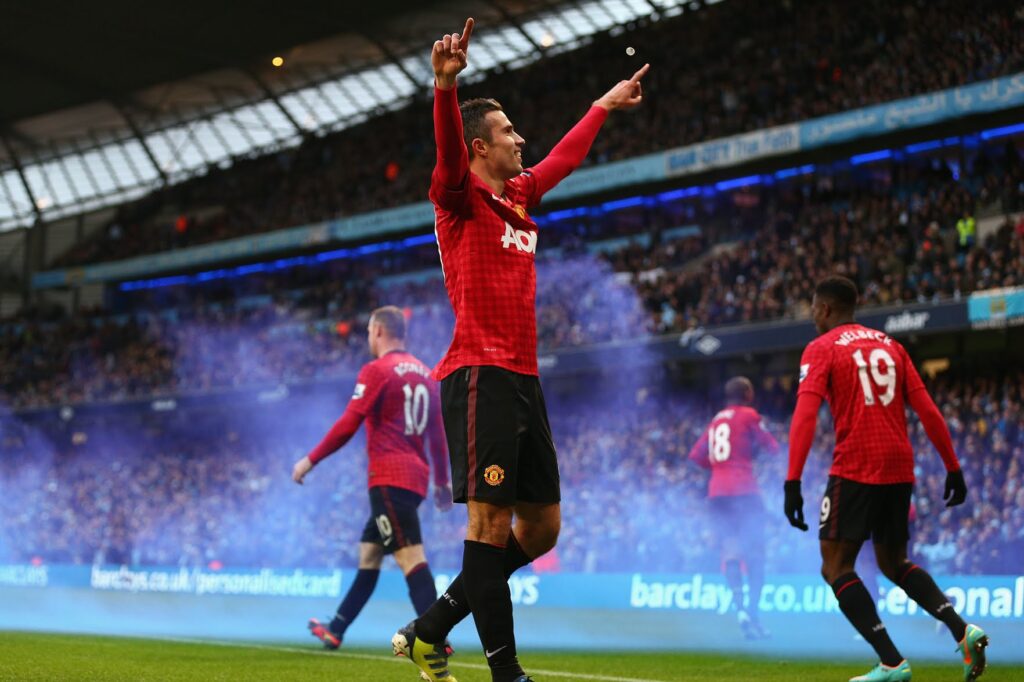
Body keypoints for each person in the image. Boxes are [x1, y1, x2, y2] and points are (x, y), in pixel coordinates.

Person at [391, 17, 648, 682]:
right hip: (479, 374)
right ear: (481, 146)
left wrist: (601, 106)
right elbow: (448, 154)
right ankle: (507, 672)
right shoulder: (459, 196)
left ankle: (431, 627)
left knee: (541, 531)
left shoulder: (520, 193)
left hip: (524, 379)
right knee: (487, 522)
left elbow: (561, 158)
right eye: (508, 133)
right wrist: (446, 87)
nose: (521, 140)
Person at [784, 276, 988, 682]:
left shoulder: (820, 348)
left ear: (825, 309)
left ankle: (892, 662)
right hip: (899, 464)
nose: (811, 316)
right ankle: (962, 630)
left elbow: (806, 415)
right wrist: (953, 466)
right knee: (894, 562)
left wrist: (793, 480)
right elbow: (927, 409)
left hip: (857, 463)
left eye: (812, 309)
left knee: (835, 565)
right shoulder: (892, 345)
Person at [292, 306, 453, 650]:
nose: (368, 338)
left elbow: (348, 423)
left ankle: (436, 636)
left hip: (389, 479)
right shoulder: (427, 374)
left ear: (378, 331)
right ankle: (336, 628)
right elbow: (437, 435)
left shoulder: (377, 370)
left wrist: (311, 460)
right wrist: (441, 482)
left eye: (368, 332)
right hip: (415, 478)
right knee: (369, 554)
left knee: (410, 555)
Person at [687, 376, 777, 639]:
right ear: (747, 393)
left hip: (717, 493)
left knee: (730, 549)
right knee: (756, 554)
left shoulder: (716, 419)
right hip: (744, 490)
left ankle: (739, 610)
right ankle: (753, 612)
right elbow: (771, 446)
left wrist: (718, 468)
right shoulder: (749, 415)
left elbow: (696, 456)